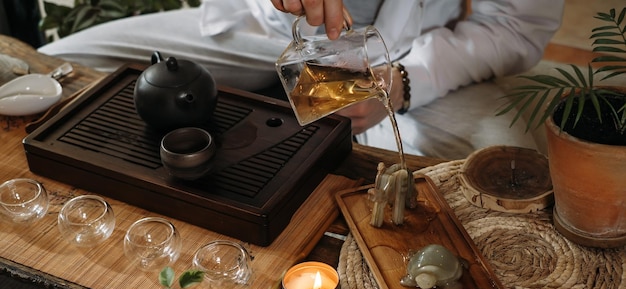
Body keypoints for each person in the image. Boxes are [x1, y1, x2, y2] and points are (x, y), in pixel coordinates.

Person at [38, 0, 564, 158]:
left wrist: (405, 80)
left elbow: (514, 23)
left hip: (405, 54)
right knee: (51, 67)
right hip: (261, 27)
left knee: (510, 166)